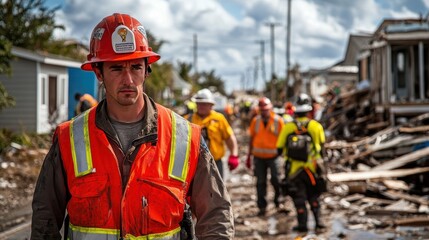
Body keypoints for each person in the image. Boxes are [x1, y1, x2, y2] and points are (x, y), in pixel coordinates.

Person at [31, 13, 234, 240]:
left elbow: (216, 214)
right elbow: (44, 219)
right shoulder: (70, 137)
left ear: (147, 70)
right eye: (117, 69)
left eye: (136, 67)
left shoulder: (186, 137)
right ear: (99, 72)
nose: (128, 80)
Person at [276, 93, 326, 232]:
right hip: (313, 169)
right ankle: (319, 222)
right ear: (309, 110)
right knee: (314, 196)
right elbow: (322, 148)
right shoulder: (316, 126)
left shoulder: (288, 127)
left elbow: (279, 149)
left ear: (295, 110)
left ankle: (302, 225)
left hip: (294, 171)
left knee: (299, 198)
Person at [185, 88, 239, 178]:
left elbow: (229, 137)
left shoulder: (219, 118)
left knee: (216, 191)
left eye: (205, 104)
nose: (201, 106)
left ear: (211, 105)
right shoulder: (188, 119)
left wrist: (234, 155)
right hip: (194, 164)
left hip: (215, 163)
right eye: (199, 103)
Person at [246, 97, 284, 216]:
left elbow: (284, 139)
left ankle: (278, 202)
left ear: (270, 109)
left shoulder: (278, 121)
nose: (264, 112)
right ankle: (262, 207)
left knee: (276, 180)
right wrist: (249, 156)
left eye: (266, 109)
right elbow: (251, 139)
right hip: (259, 157)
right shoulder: (255, 121)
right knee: (260, 182)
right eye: (262, 110)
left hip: (274, 156)